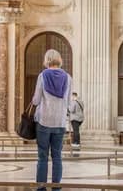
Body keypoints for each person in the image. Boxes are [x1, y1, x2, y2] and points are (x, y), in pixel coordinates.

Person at [31, 49, 71, 191]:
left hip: (44, 120)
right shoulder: (67, 77)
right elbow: (68, 102)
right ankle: (56, 188)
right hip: (60, 121)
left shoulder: (43, 76)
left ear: (47, 60)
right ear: (59, 59)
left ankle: (41, 187)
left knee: (42, 156)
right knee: (57, 156)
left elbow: (36, 100)